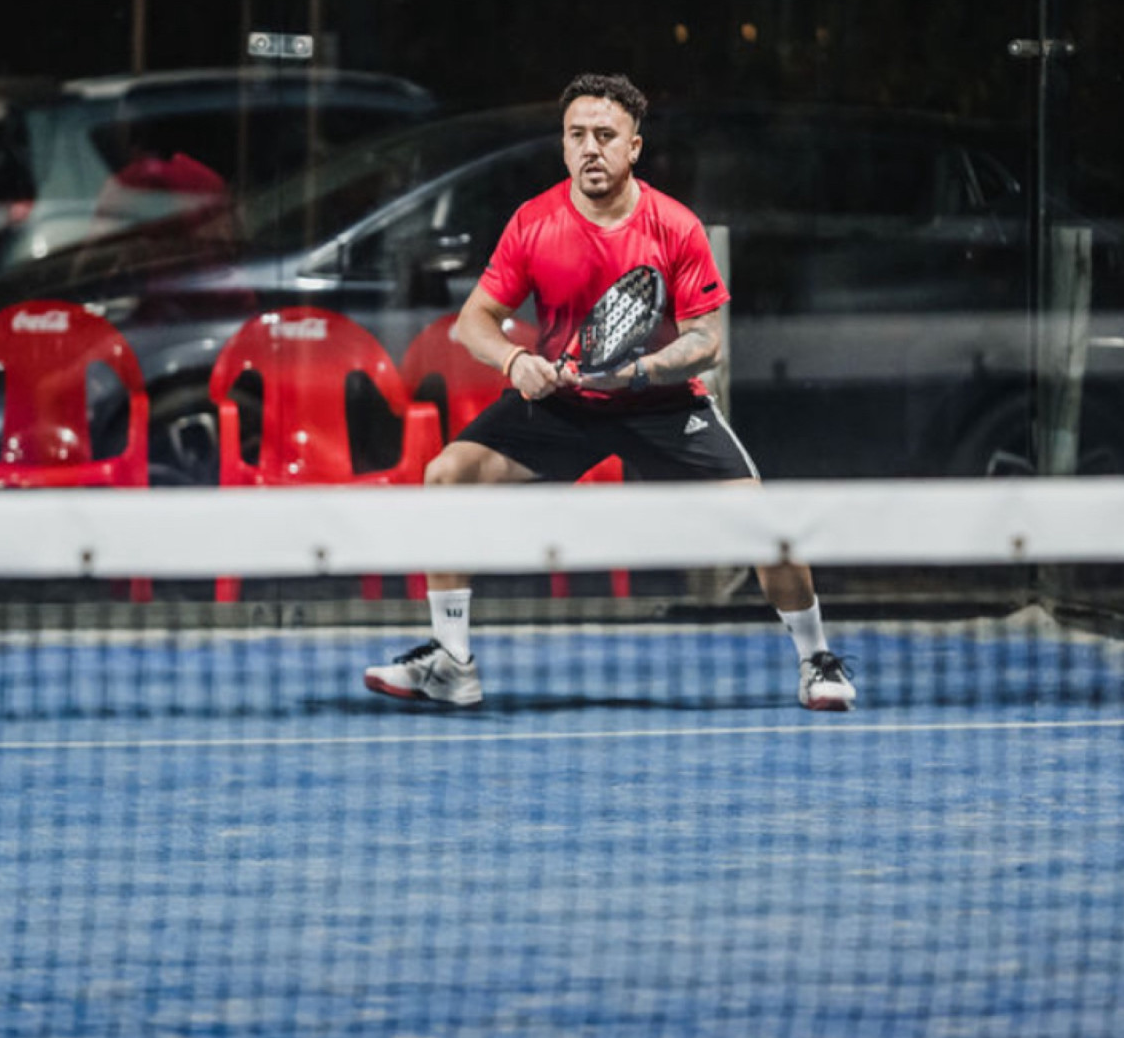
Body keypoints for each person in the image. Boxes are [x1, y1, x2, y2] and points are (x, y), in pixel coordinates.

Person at [364, 73, 856, 711]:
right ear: (563, 146)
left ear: (634, 147)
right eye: (577, 136)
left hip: (662, 404)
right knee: (447, 475)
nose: (590, 148)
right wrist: (516, 360)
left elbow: (707, 342)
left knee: (767, 523)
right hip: (564, 404)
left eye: (605, 135)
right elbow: (474, 320)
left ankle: (816, 658)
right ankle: (452, 662)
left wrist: (639, 372)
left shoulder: (674, 226)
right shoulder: (534, 222)